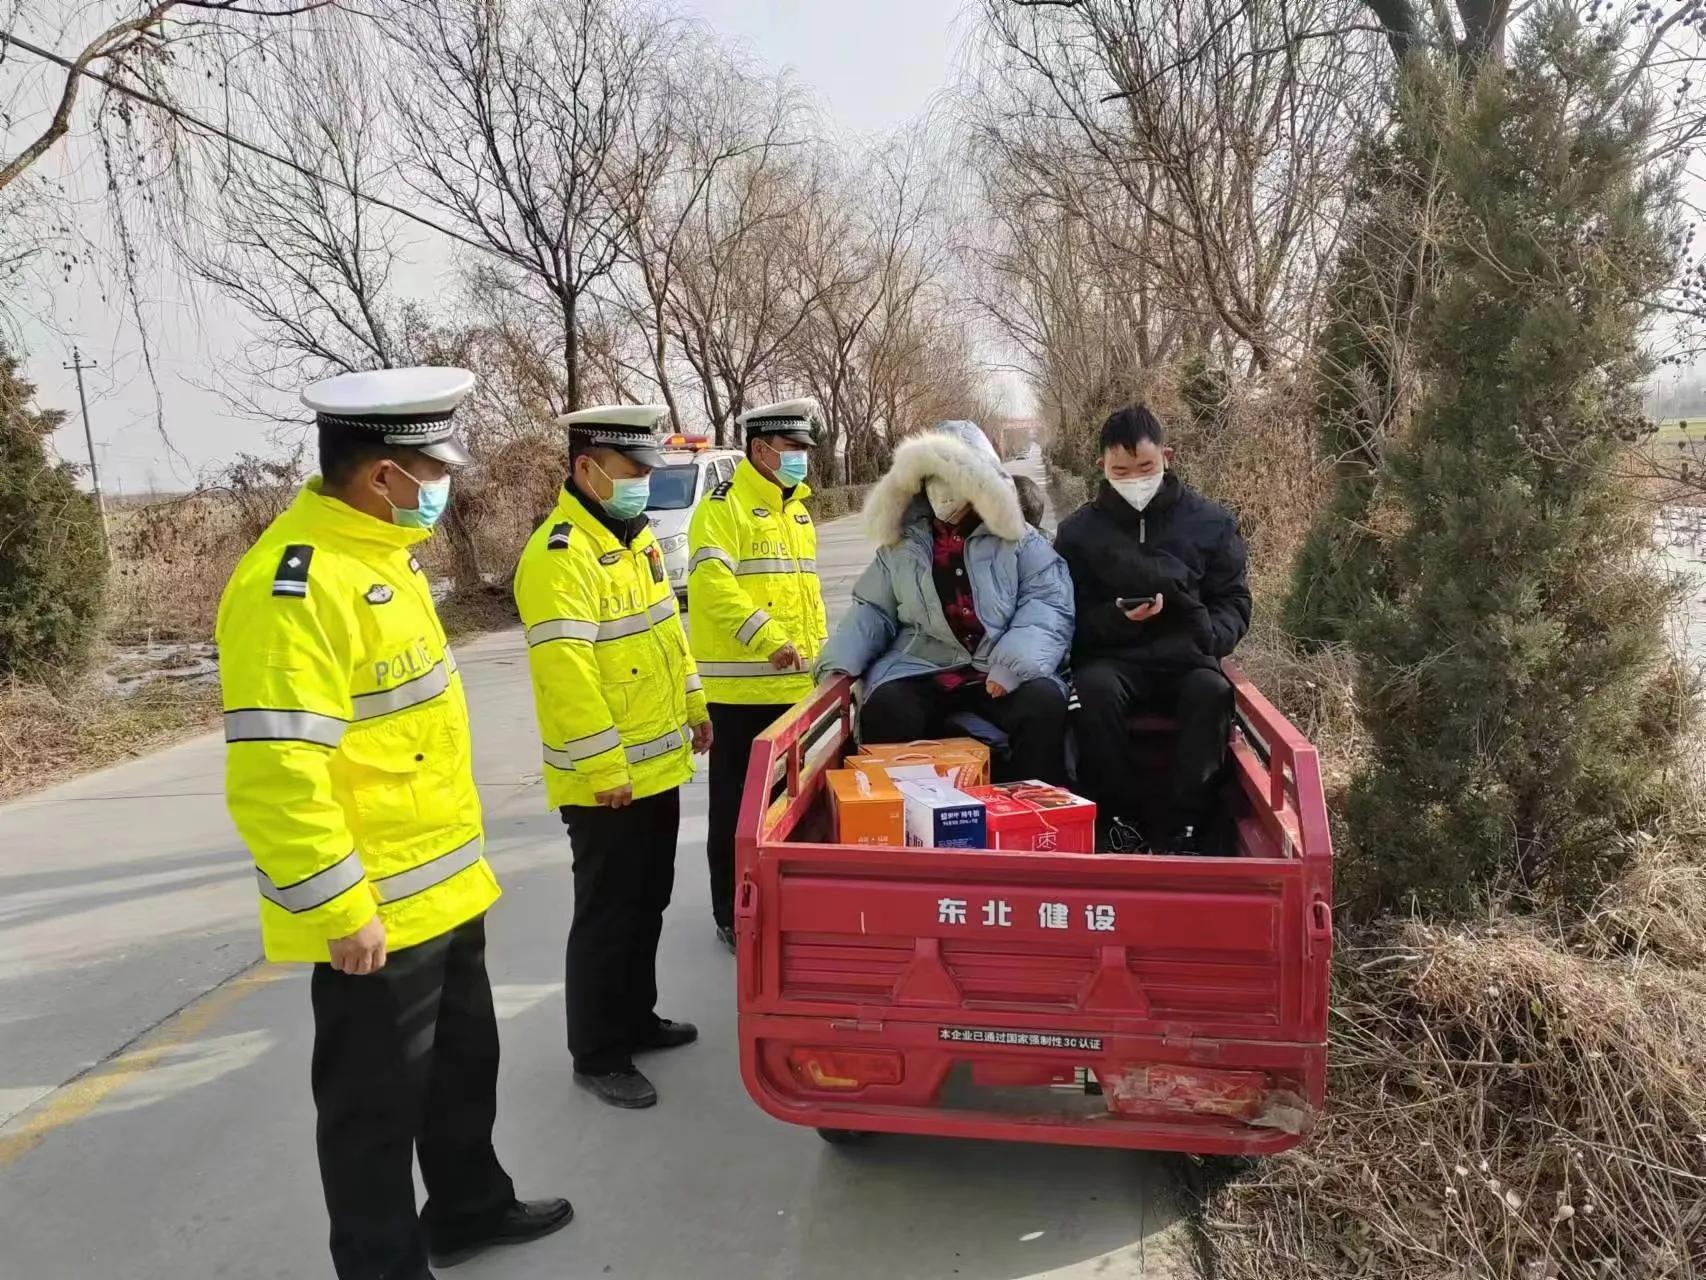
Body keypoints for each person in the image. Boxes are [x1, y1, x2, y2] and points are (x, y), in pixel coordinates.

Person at [216, 367, 571, 1280]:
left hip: (442, 883)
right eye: (432, 469)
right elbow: (276, 771)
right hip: (375, 909)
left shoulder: (381, 555)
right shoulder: (292, 588)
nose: (442, 489)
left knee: (464, 1067)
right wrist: (342, 906)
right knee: (374, 1110)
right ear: (383, 477)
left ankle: (468, 1207)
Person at [512, 404, 712, 1111]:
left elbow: (668, 633)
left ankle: (636, 1016)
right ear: (587, 469)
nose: (643, 486)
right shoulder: (558, 557)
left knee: (647, 900)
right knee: (607, 911)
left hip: (654, 766)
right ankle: (597, 1050)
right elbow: (566, 678)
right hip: (607, 781)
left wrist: (693, 705)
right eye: (632, 473)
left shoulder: (636, 541)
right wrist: (604, 771)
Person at [817, 420, 1073, 784]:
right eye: (931, 479)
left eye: (952, 479)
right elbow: (872, 609)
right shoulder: (903, 545)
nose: (941, 491)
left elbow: (1048, 602)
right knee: (886, 709)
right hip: (923, 666)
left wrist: (1014, 664)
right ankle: (898, 822)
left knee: (1043, 704)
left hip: (998, 667)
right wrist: (839, 665)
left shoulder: (1020, 540)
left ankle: (1032, 817)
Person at [1054, 404, 1252, 851]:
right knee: (1091, 692)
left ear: (1168, 456)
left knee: (1213, 693)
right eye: (1121, 471)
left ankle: (1186, 826)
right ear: (1102, 467)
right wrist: (1114, 618)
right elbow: (1063, 612)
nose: (1135, 480)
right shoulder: (1078, 533)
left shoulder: (1211, 522)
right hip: (1112, 658)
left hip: (1187, 656)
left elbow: (1234, 600)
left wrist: (1206, 632)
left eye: (1146, 467)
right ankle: (1121, 820)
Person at [687, 397, 828, 953]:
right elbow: (711, 586)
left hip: (798, 687)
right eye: (792, 450)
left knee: (791, 804)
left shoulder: (797, 510)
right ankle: (730, 910)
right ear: (760, 449)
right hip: (741, 690)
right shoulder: (724, 507)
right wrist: (766, 638)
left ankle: (781, 903)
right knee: (736, 810)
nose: (800, 460)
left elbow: (807, 596)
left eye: (803, 451)